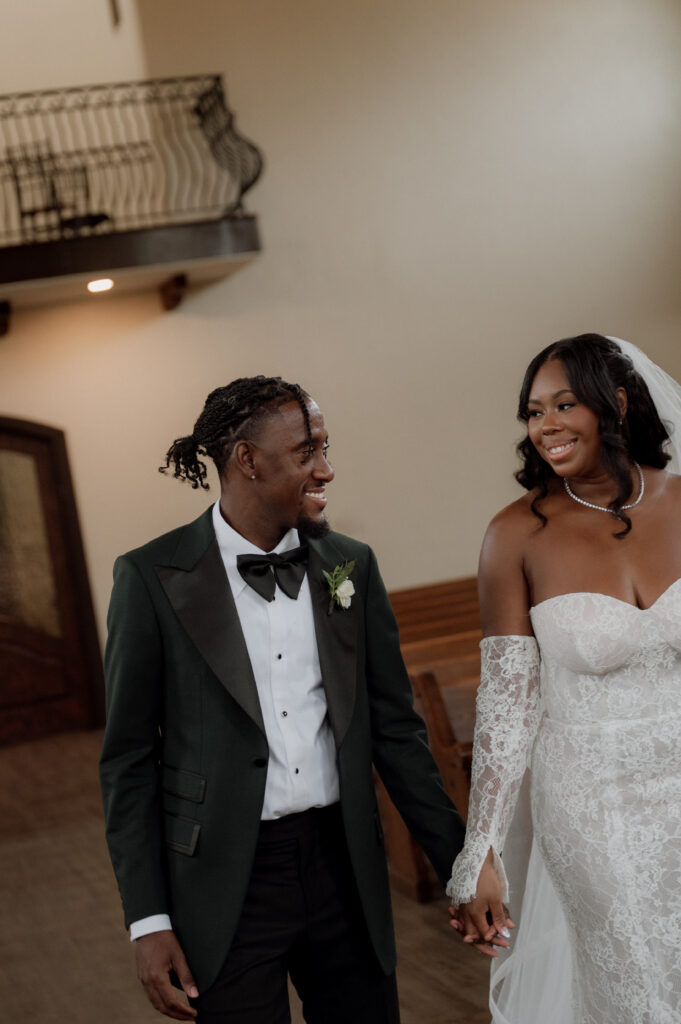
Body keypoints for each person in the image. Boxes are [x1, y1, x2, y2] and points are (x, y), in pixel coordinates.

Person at [100, 375, 465, 1024]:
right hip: (223, 880)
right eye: (306, 452)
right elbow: (128, 761)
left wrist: (457, 865)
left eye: (324, 448)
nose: (326, 468)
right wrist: (147, 920)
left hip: (344, 863)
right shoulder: (150, 578)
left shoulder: (347, 566)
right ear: (246, 459)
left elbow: (394, 731)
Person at [446, 335, 681, 1024]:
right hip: (591, 804)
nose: (544, 425)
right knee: (636, 989)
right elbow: (508, 707)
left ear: (616, 402)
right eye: (531, 411)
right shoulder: (514, 536)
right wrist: (480, 849)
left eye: (562, 404)